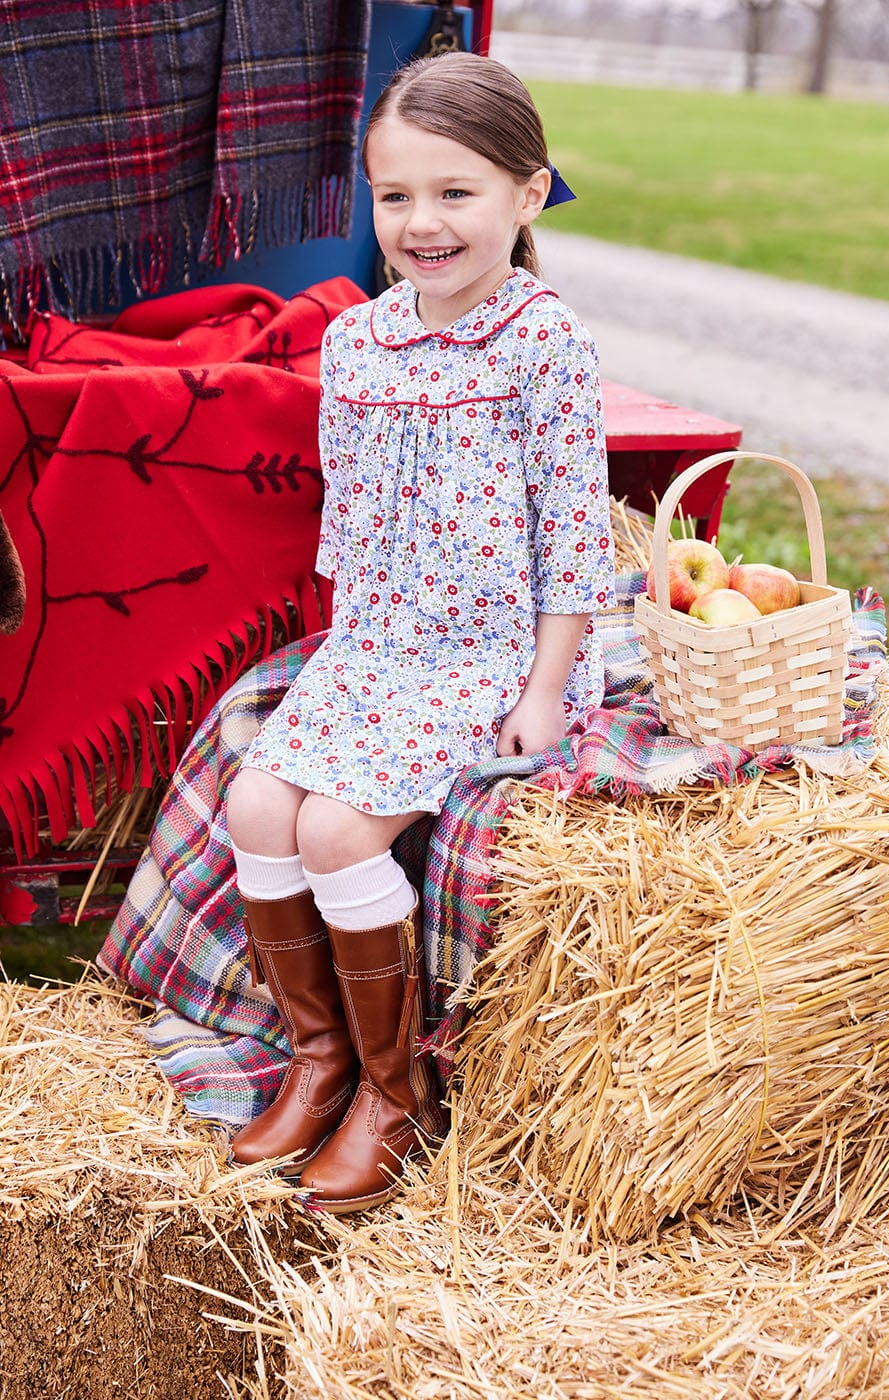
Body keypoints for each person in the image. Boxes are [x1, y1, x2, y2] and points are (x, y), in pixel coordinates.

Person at [224, 49, 615, 1214]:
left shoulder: (542, 340)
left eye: (456, 192)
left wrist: (542, 690)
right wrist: (343, 665)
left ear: (528, 193)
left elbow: (574, 535)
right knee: (258, 804)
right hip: (382, 644)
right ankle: (322, 1058)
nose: (422, 222)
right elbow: (351, 520)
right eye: (395, 195)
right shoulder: (357, 341)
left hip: (496, 651)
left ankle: (397, 1096)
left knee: (339, 828)